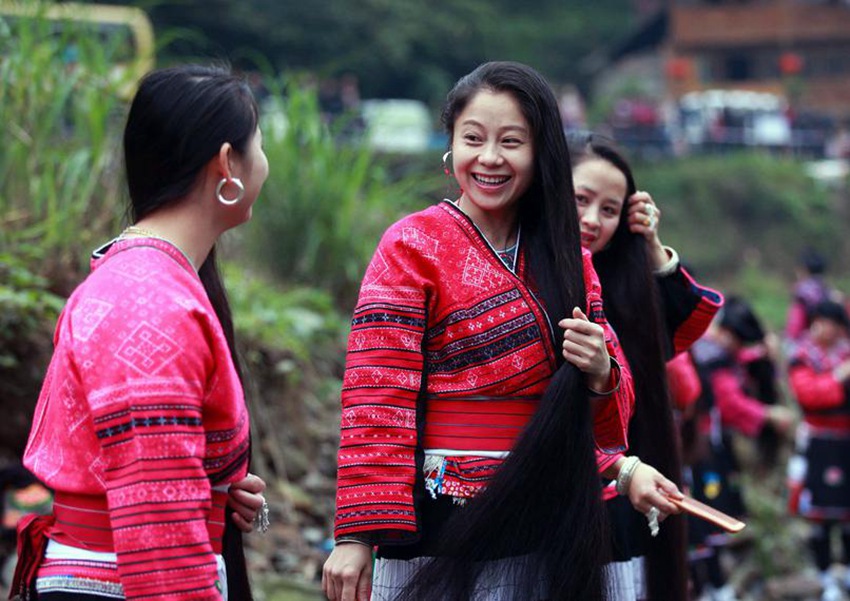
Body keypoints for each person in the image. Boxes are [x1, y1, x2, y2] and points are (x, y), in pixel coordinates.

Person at [322, 61, 635, 601]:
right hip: (439, 516)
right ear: (450, 146)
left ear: (540, 154)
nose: (489, 157)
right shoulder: (411, 245)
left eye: (511, 141)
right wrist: (356, 535)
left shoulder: (570, 259)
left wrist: (601, 372)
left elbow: (608, 424)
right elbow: (377, 393)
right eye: (473, 138)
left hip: (546, 517)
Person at [11, 64, 270, 600]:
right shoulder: (150, 301)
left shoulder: (145, 280)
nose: (265, 164)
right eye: (260, 145)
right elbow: (158, 521)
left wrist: (216, 487)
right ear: (227, 163)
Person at [567, 132, 724, 600]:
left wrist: (651, 246)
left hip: (615, 496)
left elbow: (671, 339)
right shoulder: (508, 270)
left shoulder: (617, 284)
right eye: (580, 200)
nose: (591, 220)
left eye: (609, 210)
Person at [687, 297, 794, 600]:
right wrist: (768, 415)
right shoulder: (712, 358)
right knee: (708, 512)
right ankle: (713, 586)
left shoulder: (711, 350)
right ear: (729, 334)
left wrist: (762, 351)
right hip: (701, 451)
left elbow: (738, 361)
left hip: (709, 446)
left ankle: (717, 583)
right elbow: (730, 404)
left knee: (714, 509)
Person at [786, 300, 850, 601]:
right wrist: (839, 376)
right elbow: (809, 395)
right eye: (823, 322)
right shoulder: (802, 356)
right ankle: (825, 577)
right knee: (819, 515)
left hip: (846, 441)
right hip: (818, 443)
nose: (828, 329)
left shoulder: (845, 353)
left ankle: (846, 571)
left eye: (834, 324)